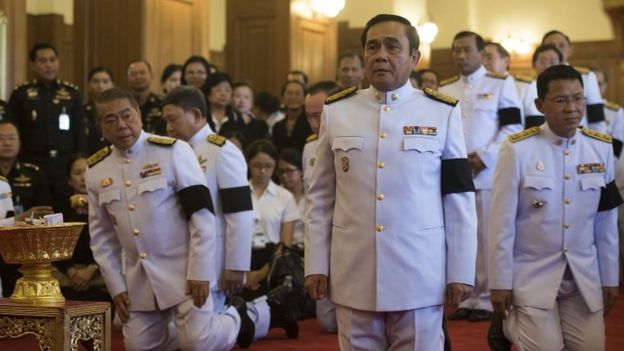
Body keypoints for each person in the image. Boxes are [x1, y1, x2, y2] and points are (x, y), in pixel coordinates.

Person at [305, 14, 477, 350]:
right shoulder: (338, 111)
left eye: (392, 47)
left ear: (414, 58)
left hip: (419, 273)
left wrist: (460, 270)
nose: (381, 55)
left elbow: (459, 198)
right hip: (354, 272)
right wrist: (315, 264)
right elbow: (320, 197)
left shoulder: (441, 112)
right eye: (373, 47)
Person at [87, 87, 254, 350]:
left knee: (196, 344)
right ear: (100, 127)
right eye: (110, 120)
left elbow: (201, 215)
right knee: (138, 347)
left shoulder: (172, 151)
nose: (121, 125)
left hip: (184, 272)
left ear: (139, 114)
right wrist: (116, 287)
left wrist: (201, 272)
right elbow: (102, 237)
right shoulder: (96, 169)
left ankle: (237, 318)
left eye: (126, 116)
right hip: (140, 281)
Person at [488, 64, 621, 351]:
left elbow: (606, 222)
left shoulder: (601, 148)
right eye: (561, 100)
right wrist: (499, 282)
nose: (572, 108)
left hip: (582, 280)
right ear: (540, 105)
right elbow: (500, 223)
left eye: (578, 98)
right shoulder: (517, 149)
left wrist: (610, 277)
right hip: (532, 277)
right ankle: (512, 324)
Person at [161, 85, 296, 347]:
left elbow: (240, 213)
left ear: (197, 115)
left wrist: (236, 265)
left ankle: (250, 315)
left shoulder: (221, 151)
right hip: (180, 256)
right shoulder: (174, 151)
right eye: (165, 120)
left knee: (196, 342)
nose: (167, 127)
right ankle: (264, 313)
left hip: (214, 259)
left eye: (173, 119)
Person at [439, 31, 522, 323]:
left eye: (466, 50)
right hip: (455, 173)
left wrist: (484, 155)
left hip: (486, 173)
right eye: (456, 51)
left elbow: (513, 128)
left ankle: (486, 300)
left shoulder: (500, 83)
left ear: (481, 53)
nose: (460, 56)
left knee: (486, 236)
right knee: (459, 235)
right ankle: (467, 296)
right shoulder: (445, 89)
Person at [7, 42, 87, 207]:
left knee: (66, 214)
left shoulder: (71, 93)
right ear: (33, 65)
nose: (49, 65)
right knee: (37, 214)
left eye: (52, 60)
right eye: (43, 61)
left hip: (64, 167)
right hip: (32, 165)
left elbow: (79, 132)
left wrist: (80, 164)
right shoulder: (21, 94)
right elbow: (14, 131)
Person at [52, 154, 111, 303]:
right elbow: (54, 245)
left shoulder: (108, 206)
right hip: (66, 274)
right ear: (69, 180)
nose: (84, 178)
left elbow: (112, 241)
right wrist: (71, 271)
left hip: (100, 270)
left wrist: (91, 269)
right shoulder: (59, 209)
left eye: (88, 172)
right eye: (78, 173)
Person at [542, 30, 606, 132]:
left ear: (569, 51)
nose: (557, 49)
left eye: (561, 45)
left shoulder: (586, 77)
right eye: (551, 46)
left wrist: (597, 146)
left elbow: (596, 118)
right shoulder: (534, 81)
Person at [522, 45, 564, 128]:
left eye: (552, 62)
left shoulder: (568, 89)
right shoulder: (524, 88)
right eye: (543, 62)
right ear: (534, 64)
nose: (547, 66)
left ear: (560, 65)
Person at [126, 60, 166, 135]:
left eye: (142, 73)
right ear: (127, 78)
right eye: (133, 74)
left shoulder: (163, 103)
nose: (138, 77)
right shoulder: (124, 105)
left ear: (151, 75)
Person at [272, 80, 312, 152]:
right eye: (289, 93)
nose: (293, 97)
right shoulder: (277, 126)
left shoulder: (311, 123)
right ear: (283, 97)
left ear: (304, 98)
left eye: (297, 93)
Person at [204, 72, 246, 136]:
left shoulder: (236, 118)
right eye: (219, 90)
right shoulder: (201, 116)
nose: (223, 94)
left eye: (227, 90)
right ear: (208, 93)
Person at [85, 66, 115, 154]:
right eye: (95, 82)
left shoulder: (120, 112)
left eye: (105, 82)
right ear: (89, 86)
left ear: (113, 85)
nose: (100, 86)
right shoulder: (81, 112)